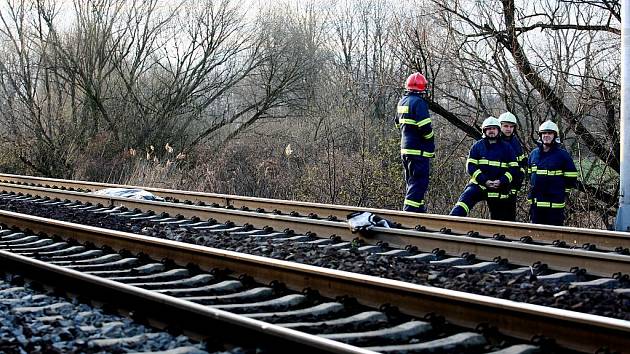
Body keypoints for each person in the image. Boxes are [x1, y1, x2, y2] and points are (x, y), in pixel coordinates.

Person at [449, 116, 519, 220]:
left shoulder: (507, 148)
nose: (491, 131)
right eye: (489, 129)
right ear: (484, 131)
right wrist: (484, 180)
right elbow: (470, 166)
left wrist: (501, 181)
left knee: (499, 218)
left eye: (494, 128)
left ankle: (497, 234)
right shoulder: (477, 146)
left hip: (498, 187)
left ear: (498, 130)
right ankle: (450, 222)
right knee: (463, 202)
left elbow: (513, 169)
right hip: (479, 185)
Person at [396, 72, 434, 213]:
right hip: (419, 151)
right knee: (419, 183)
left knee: (412, 183)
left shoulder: (402, 102)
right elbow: (425, 128)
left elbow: (397, 124)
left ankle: (419, 213)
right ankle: (409, 214)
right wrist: (430, 140)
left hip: (405, 150)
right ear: (422, 89)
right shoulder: (419, 103)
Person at [528, 120, 578, 226]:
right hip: (537, 204)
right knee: (537, 234)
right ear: (540, 136)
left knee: (555, 235)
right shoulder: (533, 154)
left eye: (549, 133)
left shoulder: (563, 155)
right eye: (544, 133)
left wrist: (562, 191)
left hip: (555, 204)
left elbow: (572, 176)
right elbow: (530, 175)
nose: (546, 135)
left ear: (555, 136)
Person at [498, 111, 526, 221]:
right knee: (497, 217)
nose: (508, 129)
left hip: (512, 186)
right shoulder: (495, 141)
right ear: (499, 126)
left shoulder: (515, 142)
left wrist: (519, 180)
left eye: (511, 126)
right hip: (497, 185)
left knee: (510, 217)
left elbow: (521, 164)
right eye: (505, 126)